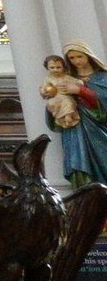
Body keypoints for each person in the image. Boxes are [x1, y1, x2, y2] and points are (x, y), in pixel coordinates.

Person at [59, 40, 107, 188]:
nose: (76, 61)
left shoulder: (103, 78)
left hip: (98, 127)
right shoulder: (66, 79)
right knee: (79, 161)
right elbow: (57, 103)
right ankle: (85, 194)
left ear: (88, 56)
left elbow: (104, 99)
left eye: (79, 56)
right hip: (75, 128)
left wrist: (81, 91)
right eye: (72, 58)